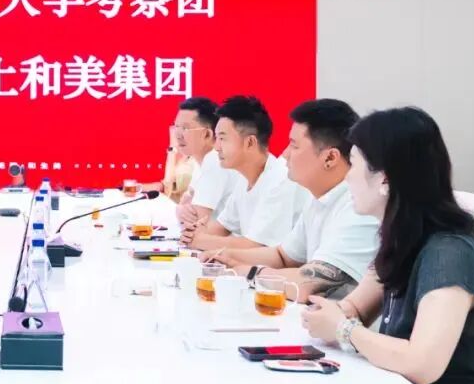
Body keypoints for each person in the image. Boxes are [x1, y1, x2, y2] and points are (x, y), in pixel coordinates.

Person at [302, 107, 474, 384]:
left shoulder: (449, 252)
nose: (346, 177)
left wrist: (343, 329)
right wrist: (333, 316)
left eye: (354, 163)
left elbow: (422, 364)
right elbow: (356, 308)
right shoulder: (401, 239)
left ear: (384, 179)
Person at [212, 99, 379, 301]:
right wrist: (226, 256)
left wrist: (248, 272)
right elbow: (283, 256)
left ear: (330, 158)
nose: (285, 154)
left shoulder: (359, 207)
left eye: (294, 145)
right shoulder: (318, 198)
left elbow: (309, 284)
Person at [187, 95, 309, 251]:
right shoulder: (244, 178)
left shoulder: (280, 178)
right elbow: (222, 226)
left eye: (222, 138)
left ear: (250, 142)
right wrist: (193, 233)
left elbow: (258, 246)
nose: (216, 147)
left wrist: (201, 241)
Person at [161, 98, 242, 243]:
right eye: (176, 126)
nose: (178, 134)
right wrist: (180, 209)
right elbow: (186, 201)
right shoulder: (201, 160)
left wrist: (181, 211)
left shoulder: (215, 160)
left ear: (207, 134)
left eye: (185, 128)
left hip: (229, 247)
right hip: (215, 243)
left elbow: (195, 225)